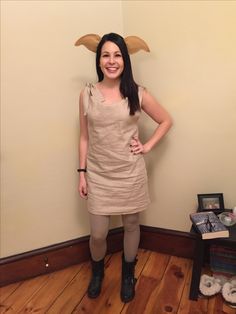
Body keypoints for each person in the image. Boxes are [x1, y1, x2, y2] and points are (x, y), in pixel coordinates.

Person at [76, 32, 172, 303]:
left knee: (131, 224)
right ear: (99, 60)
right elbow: (84, 137)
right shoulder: (86, 94)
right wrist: (81, 173)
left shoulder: (137, 93)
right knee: (98, 233)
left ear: (125, 59)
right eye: (106, 55)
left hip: (130, 172)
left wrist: (147, 146)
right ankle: (97, 272)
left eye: (117, 55)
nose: (111, 60)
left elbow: (165, 120)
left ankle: (128, 273)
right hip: (98, 174)